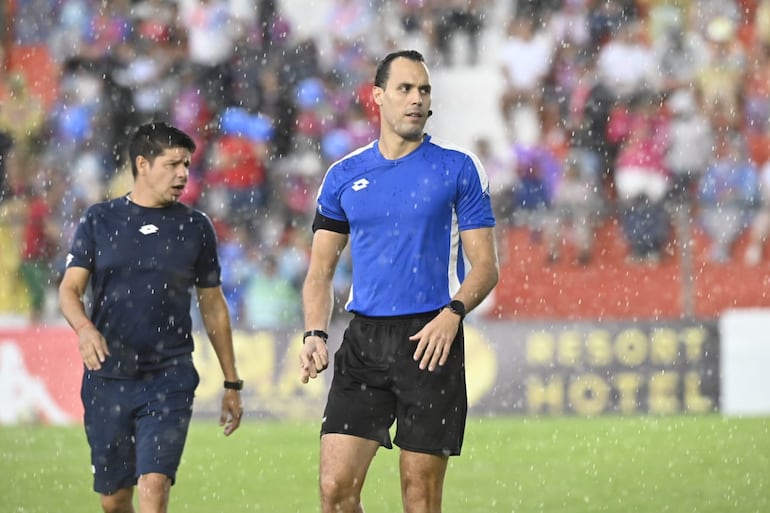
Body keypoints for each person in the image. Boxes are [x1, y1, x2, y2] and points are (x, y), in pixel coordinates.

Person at [299, 50, 499, 513]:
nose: (416, 99)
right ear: (378, 96)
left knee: (419, 498)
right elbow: (320, 271)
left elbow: (486, 267)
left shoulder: (459, 168)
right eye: (405, 89)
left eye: (424, 90)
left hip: (432, 340)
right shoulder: (344, 175)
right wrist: (313, 331)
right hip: (363, 341)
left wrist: (453, 314)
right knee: (335, 492)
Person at [58, 121, 243, 513]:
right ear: (143, 164)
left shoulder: (196, 227)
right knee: (114, 500)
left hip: (169, 375)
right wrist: (85, 329)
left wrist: (232, 380)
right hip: (108, 377)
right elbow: (69, 290)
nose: (182, 174)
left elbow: (213, 305)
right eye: (173, 164)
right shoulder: (99, 220)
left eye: (187, 165)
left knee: (154, 488)